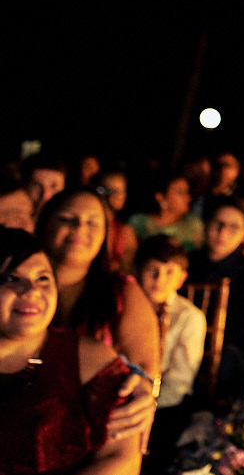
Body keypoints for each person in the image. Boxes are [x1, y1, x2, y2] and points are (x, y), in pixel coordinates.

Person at [0, 227, 141, 475]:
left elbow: (122, 459)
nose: (32, 291)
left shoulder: (90, 361)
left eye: (43, 279)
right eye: (13, 279)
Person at [35, 188, 162, 445]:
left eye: (92, 222)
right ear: (44, 224)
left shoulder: (122, 292)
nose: (80, 228)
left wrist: (142, 392)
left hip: (92, 431)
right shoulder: (15, 286)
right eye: (67, 218)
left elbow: (146, 370)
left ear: (106, 234)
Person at [136, 235, 205, 475]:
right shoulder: (126, 309)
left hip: (165, 404)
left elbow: (179, 381)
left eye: (169, 272)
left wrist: (148, 405)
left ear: (181, 278)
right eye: (152, 270)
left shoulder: (189, 318)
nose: (158, 280)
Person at [188, 195, 244, 399]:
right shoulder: (187, 264)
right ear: (206, 224)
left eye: (233, 228)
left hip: (223, 348)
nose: (222, 233)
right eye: (218, 224)